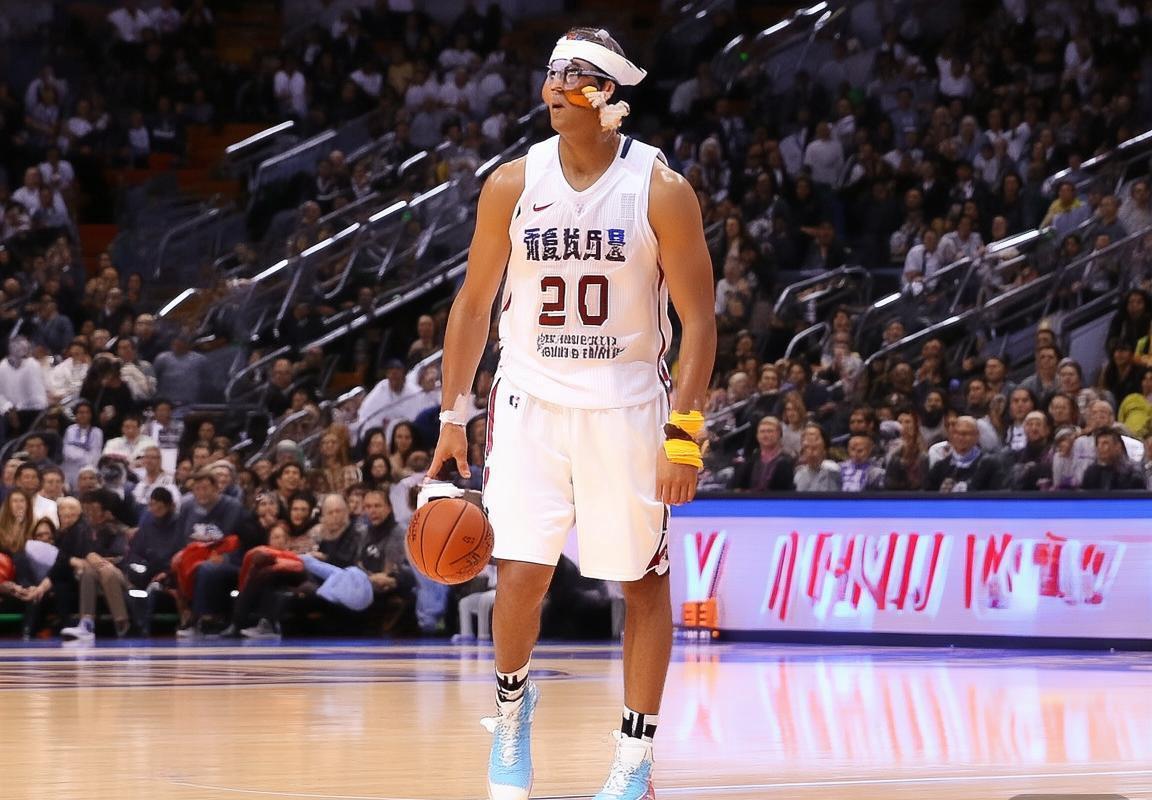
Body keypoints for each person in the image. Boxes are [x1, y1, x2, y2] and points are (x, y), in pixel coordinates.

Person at [426, 27, 715, 800]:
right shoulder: (511, 183)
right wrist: (452, 416)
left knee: (640, 584)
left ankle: (634, 759)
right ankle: (511, 714)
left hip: (628, 408)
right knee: (519, 574)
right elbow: (473, 304)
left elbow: (699, 321)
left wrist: (684, 436)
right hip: (530, 402)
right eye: (551, 72)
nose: (555, 86)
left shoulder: (661, 189)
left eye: (574, 75)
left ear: (607, 93)